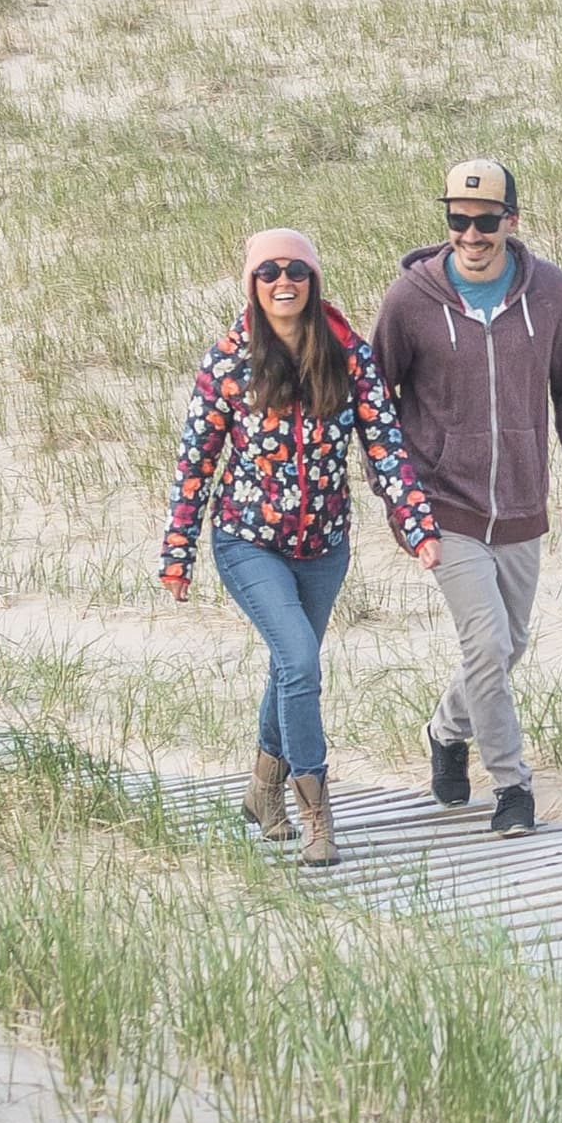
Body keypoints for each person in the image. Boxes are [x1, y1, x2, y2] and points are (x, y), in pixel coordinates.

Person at [157, 229, 439, 866]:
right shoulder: (229, 360)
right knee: (302, 664)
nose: (283, 282)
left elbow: (386, 448)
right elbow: (196, 461)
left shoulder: (349, 357)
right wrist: (179, 552)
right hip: (247, 542)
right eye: (268, 272)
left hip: (324, 546)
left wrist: (417, 526)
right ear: (253, 285)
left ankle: (262, 790)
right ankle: (317, 816)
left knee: (293, 667)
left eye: (296, 271)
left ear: (313, 282)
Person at [369, 157, 562, 832]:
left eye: (484, 221)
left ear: (512, 219)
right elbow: (373, 406)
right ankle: (512, 789)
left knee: (508, 645)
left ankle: (446, 731)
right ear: (446, 218)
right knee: (485, 643)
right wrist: (400, 503)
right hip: (444, 505)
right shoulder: (409, 301)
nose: (470, 234)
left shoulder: (549, 292)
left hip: (523, 504)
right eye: (458, 219)